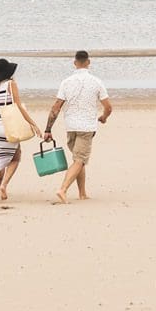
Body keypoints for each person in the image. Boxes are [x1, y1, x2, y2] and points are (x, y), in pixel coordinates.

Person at [43, 50, 112, 204]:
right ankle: (63, 189)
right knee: (80, 160)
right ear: (88, 62)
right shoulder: (96, 82)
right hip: (86, 127)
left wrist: (48, 129)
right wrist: (103, 117)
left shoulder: (66, 82)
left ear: (75, 63)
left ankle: (82, 193)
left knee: (78, 160)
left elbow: (56, 107)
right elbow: (108, 107)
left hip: (71, 126)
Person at [0, 58, 42, 201]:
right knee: (16, 158)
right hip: (9, 127)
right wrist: (33, 124)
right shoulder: (10, 84)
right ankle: (4, 185)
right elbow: (18, 106)